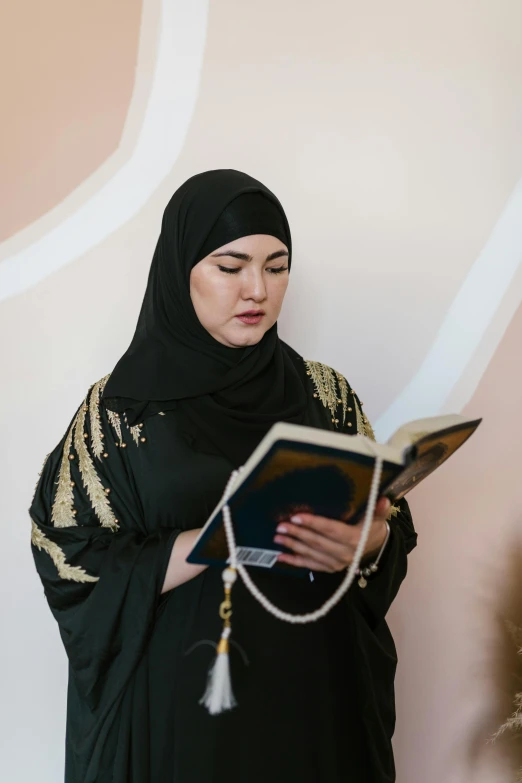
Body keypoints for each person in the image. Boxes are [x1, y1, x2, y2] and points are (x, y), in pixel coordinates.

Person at [30, 169, 417, 783]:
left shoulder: (326, 395)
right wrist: (218, 538)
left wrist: (370, 541)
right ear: (181, 269)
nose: (256, 290)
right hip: (183, 721)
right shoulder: (119, 412)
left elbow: (386, 530)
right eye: (229, 267)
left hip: (318, 702)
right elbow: (66, 556)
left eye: (277, 266)